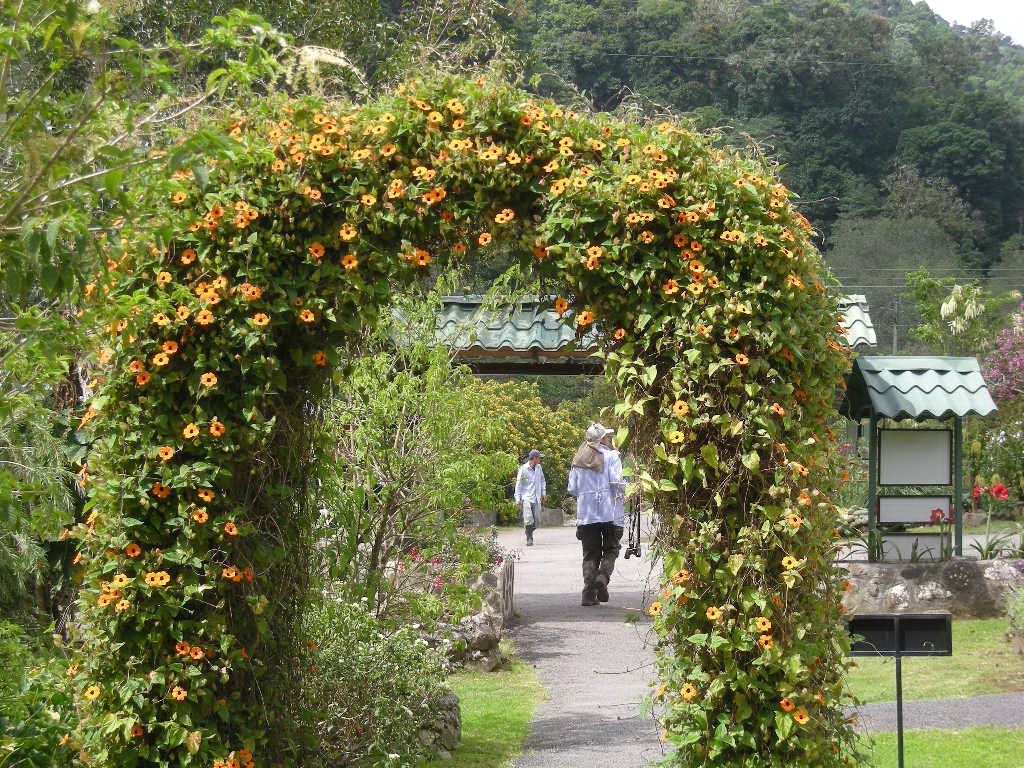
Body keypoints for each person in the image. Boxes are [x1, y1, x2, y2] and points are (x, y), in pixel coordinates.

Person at [567, 423, 624, 606]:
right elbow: (617, 483)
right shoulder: (612, 456)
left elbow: (573, 489)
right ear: (602, 439)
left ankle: (588, 594)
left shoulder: (578, 460)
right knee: (611, 549)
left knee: (590, 553)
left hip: (587, 515)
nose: (609, 439)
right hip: (611, 513)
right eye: (607, 437)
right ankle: (602, 577)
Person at [514, 449, 546, 546]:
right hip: (526, 497)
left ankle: (529, 531)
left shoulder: (539, 467)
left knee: (536, 521)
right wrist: (518, 499)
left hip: (536, 497)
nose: (540, 459)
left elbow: (542, 480)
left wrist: (543, 492)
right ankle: (529, 537)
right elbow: (518, 484)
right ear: (534, 458)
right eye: (539, 457)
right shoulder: (523, 468)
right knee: (528, 519)